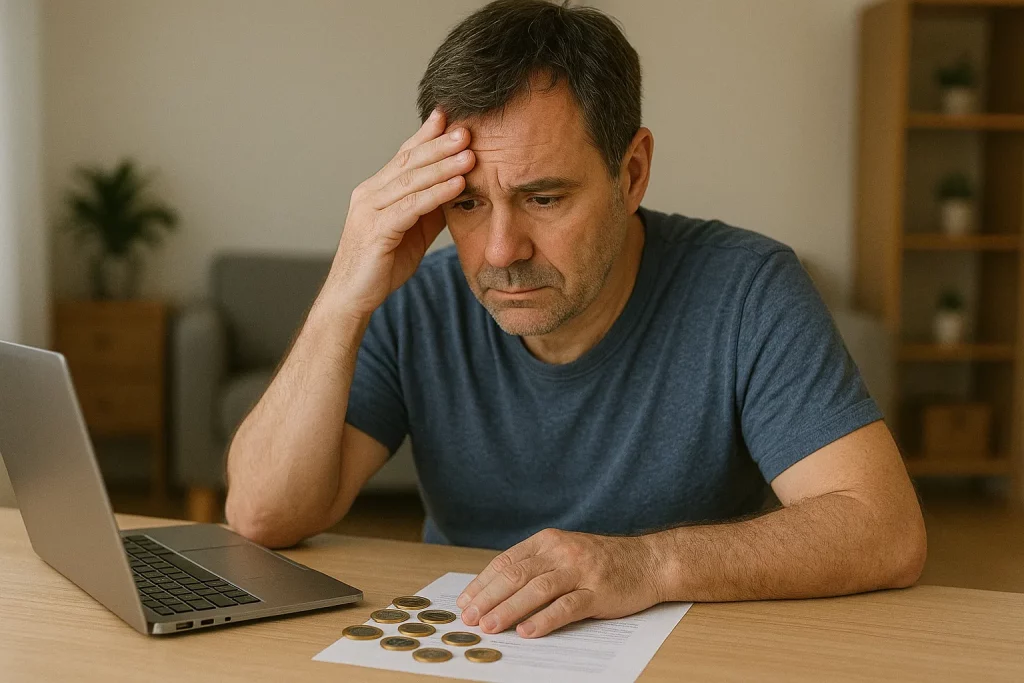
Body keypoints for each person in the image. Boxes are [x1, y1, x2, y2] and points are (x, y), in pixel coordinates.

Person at [225, 0, 926, 640]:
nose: (501, 250)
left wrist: (646, 563)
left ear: (632, 172)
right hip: (471, 644)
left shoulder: (747, 287)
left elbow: (884, 529)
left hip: (689, 649)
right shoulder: (416, 297)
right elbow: (262, 516)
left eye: (544, 198)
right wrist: (346, 288)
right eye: (465, 204)